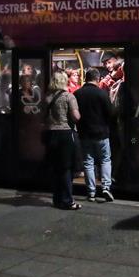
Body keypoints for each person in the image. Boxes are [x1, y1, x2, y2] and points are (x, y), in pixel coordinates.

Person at [74, 68, 115, 203]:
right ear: (97, 79)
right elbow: (111, 114)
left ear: (86, 78)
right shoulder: (102, 94)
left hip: (84, 134)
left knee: (88, 162)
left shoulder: (77, 93)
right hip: (101, 133)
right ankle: (106, 187)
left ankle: (91, 193)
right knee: (105, 160)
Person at [44, 70, 82, 210]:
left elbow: (44, 116)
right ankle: (67, 200)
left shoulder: (47, 97)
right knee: (67, 168)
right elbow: (76, 117)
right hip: (66, 134)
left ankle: (57, 198)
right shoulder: (69, 97)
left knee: (57, 168)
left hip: (51, 134)